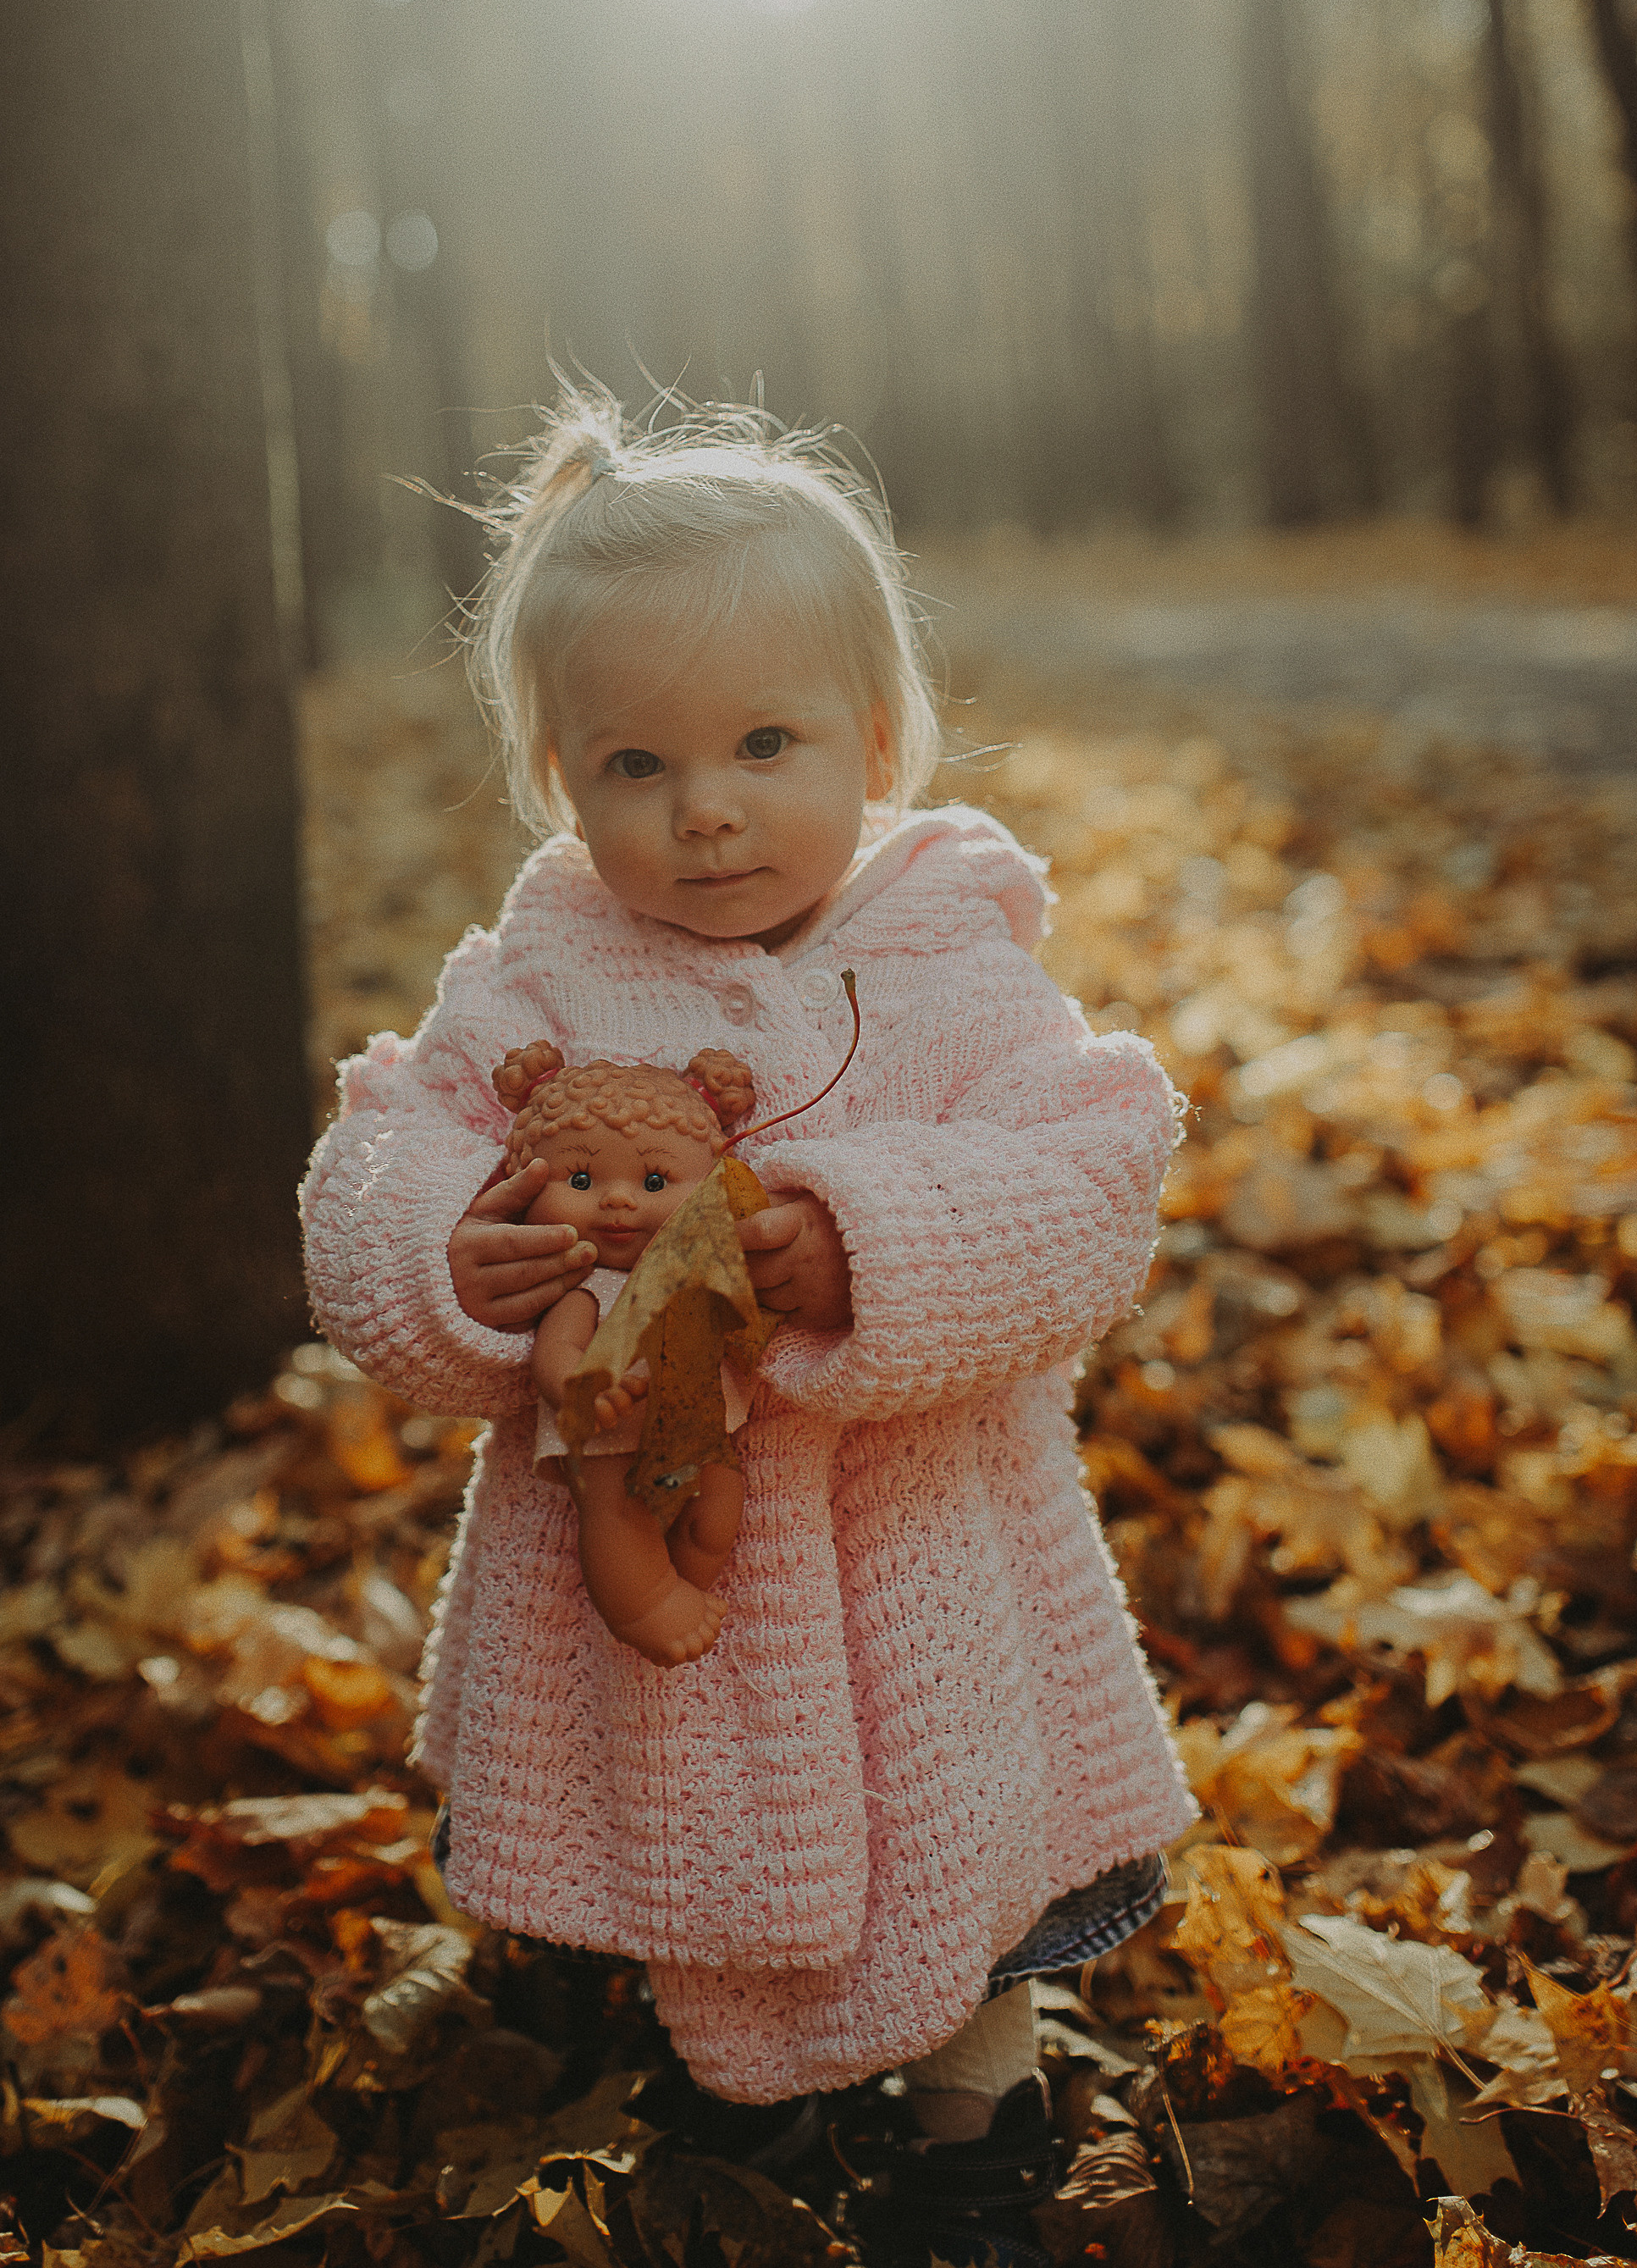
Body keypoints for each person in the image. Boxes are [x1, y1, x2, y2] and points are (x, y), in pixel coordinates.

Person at [299, 387, 1195, 2264]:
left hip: (914, 1561)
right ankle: (737, 2141)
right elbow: (385, 1146)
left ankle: (971, 2145)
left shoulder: (957, 968)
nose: (702, 808)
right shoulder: (540, 972)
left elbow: (1095, 1176)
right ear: (561, 777)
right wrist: (440, 1265)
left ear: (875, 741)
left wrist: (870, 1241)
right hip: (639, 1573)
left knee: (952, 1887)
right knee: (694, 1864)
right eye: (633, 765)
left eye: (762, 743)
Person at [493, 1041, 757, 1668]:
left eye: (655, 1181)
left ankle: (688, 1573)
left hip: (698, 1430)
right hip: (611, 1437)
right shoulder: (588, 1287)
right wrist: (583, 1388)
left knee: (717, 1511)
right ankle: (640, 1604)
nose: (617, 1201)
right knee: (617, 1513)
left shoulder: (689, 1272)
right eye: (580, 1181)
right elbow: (554, 1355)